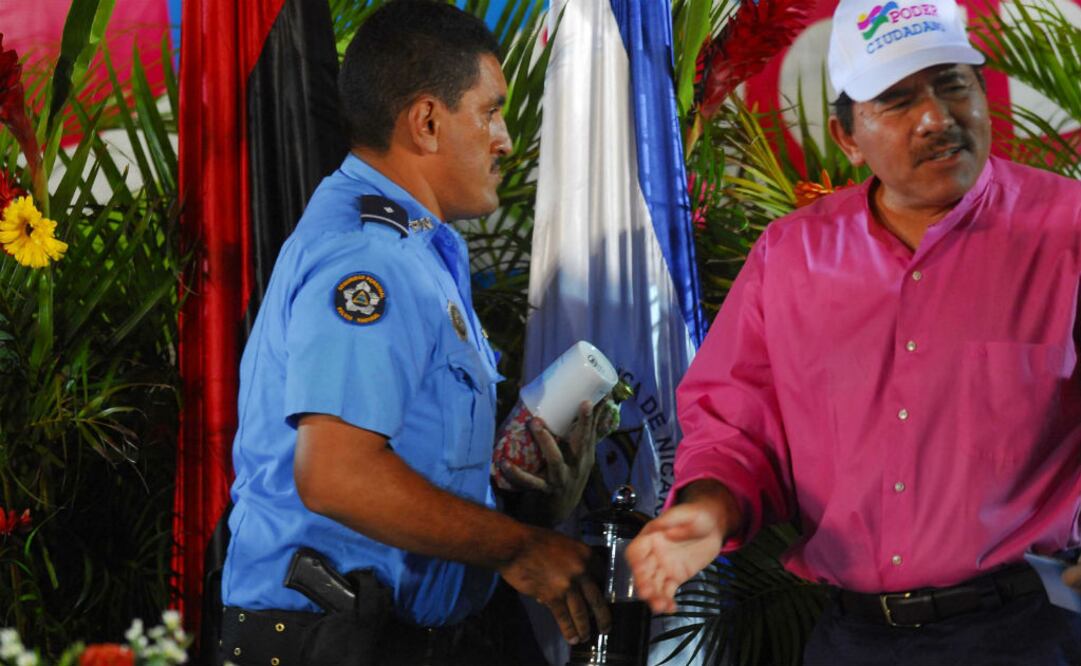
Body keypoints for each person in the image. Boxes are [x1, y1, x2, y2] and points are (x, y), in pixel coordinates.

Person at [626, 0, 1081, 662]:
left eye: (952, 84)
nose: (935, 117)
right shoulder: (790, 257)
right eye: (896, 100)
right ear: (847, 136)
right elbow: (736, 428)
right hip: (851, 638)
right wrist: (705, 513)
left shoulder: (1065, 231)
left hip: (1029, 631)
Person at [217, 3, 611, 664]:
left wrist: (521, 502)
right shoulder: (372, 259)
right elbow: (337, 475)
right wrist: (516, 547)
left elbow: (409, 460)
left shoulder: (414, 250)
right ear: (427, 122)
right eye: (489, 112)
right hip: (333, 643)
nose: (505, 139)